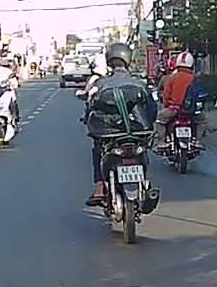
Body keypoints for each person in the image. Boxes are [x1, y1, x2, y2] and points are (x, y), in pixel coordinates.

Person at [84, 43, 157, 206]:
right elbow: (152, 110)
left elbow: (91, 110)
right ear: (128, 60)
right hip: (137, 132)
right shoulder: (139, 83)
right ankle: (146, 183)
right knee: (143, 150)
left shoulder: (101, 84)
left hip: (109, 133)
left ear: (109, 61)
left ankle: (100, 188)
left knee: (97, 150)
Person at [154, 52, 198, 149]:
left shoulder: (172, 78)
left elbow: (166, 95)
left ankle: (161, 142)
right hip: (191, 110)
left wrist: (166, 105)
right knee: (202, 121)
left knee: (160, 119)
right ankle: (197, 141)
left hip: (174, 109)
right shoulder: (194, 78)